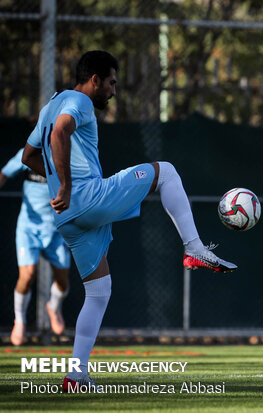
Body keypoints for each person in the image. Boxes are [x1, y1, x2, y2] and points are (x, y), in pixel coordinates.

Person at [21, 50, 237, 391]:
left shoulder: (50, 105)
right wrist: (66, 185)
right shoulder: (79, 102)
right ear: (94, 80)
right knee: (166, 172)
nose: (113, 90)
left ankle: (76, 375)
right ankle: (193, 247)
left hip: (67, 218)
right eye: (111, 82)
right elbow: (59, 134)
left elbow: (28, 156)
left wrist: (60, 186)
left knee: (99, 290)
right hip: (87, 199)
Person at [1, 148, 71, 346]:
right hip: (28, 229)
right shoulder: (27, 153)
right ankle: (20, 321)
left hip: (57, 231)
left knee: (63, 281)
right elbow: (4, 173)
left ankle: (54, 306)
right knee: (28, 274)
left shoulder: (68, 155)